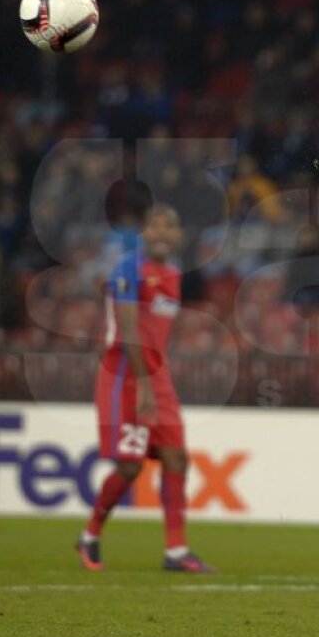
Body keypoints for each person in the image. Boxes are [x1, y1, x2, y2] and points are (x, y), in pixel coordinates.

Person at [77, 204, 215, 574]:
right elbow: (130, 330)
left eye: (168, 226)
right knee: (129, 466)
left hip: (157, 376)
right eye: (154, 225)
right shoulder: (128, 267)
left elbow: (159, 333)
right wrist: (144, 387)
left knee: (176, 458)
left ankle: (176, 551)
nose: (160, 232)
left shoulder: (172, 274)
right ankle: (89, 536)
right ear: (143, 232)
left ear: (178, 235)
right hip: (125, 375)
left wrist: (156, 381)